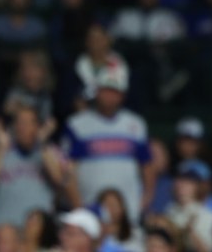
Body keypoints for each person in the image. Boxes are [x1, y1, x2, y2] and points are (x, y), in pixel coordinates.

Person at [62, 65, 154, 223]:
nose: (109, 96)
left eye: (115, 91)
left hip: (128, 213)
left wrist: (144, 201)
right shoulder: (77, 125)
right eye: (106, 90)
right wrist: (79, 207)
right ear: (97, 91)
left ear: (122, 95)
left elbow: (148, 167)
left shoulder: (136, 124)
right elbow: (67, 171)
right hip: (89, 211)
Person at [0, 107, 65, 229]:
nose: (25, 127)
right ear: (14, 127)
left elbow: (59, 180)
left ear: (38, 127)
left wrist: (41, 143)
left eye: (31, 122)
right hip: (5, 234)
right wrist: (1, 148)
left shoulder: (49, 151)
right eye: (21, 122)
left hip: (39, 233)